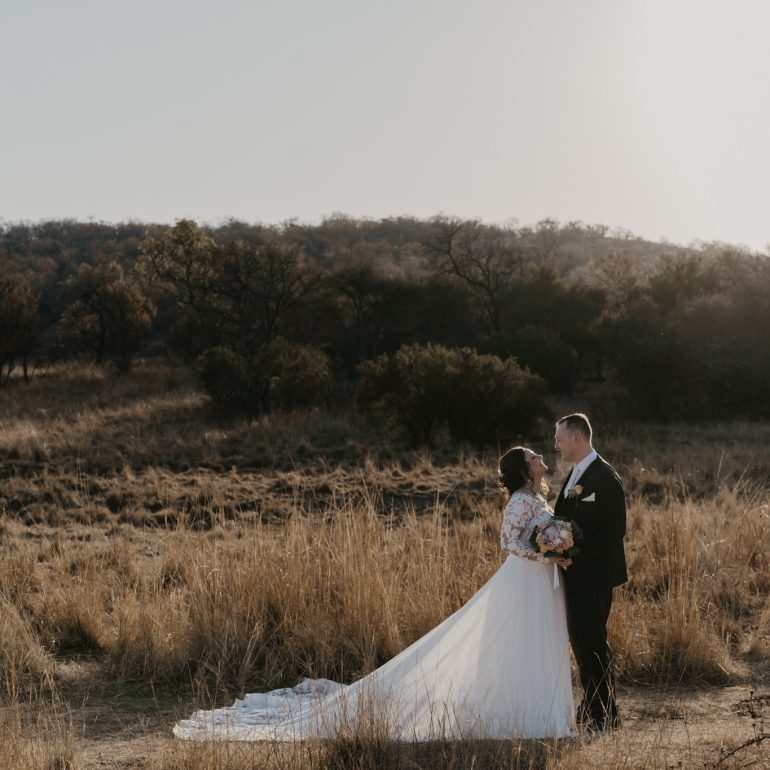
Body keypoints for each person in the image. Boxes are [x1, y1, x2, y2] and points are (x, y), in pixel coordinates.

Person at [173, 447, 574, 742]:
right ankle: (526, 714)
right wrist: (544, 555)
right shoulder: (520, 501)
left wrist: (556, 549)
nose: (541, 457)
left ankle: (541, 713)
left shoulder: (538, 497)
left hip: (541, 580)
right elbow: (508, 542)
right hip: (524, 580)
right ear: (523, 469)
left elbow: (540, 532)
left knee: (533, 642)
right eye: (534, 456)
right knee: (518, 641)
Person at [553, 413, 627, 733]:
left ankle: (604, 715)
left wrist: (576, 557)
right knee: (582, 645)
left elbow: (614, 530)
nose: (556, 445)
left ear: (577, 438)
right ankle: (595, 705)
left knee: (593, 644)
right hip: (574, 576)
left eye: (559, 438)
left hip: (594, 576)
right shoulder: (574, 474)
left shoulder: (605, 477)